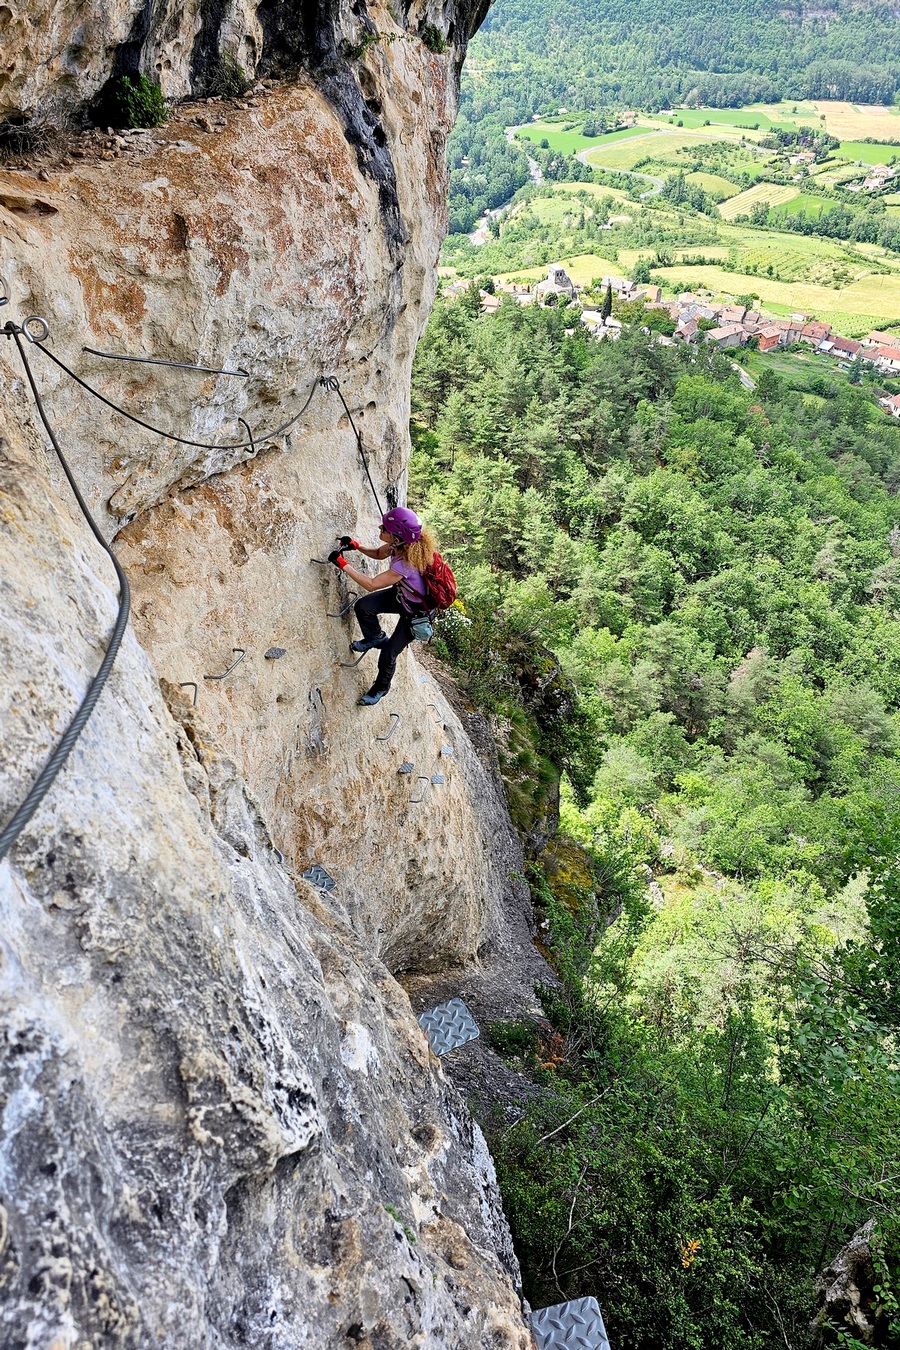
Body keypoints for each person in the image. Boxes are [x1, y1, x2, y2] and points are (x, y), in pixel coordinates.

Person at [327, 507, 436, 706]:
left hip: (416, 613)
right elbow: (378, 553)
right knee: (364, 606)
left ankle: (380, 688)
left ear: (396, 538)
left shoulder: (406, 563)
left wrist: (342, 564)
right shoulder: (401, 545)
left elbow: (371, 584)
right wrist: (356, 546)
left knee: (388, 654)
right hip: (403, 596)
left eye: (385, 528)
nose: (380, 527)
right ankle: (375, 637)